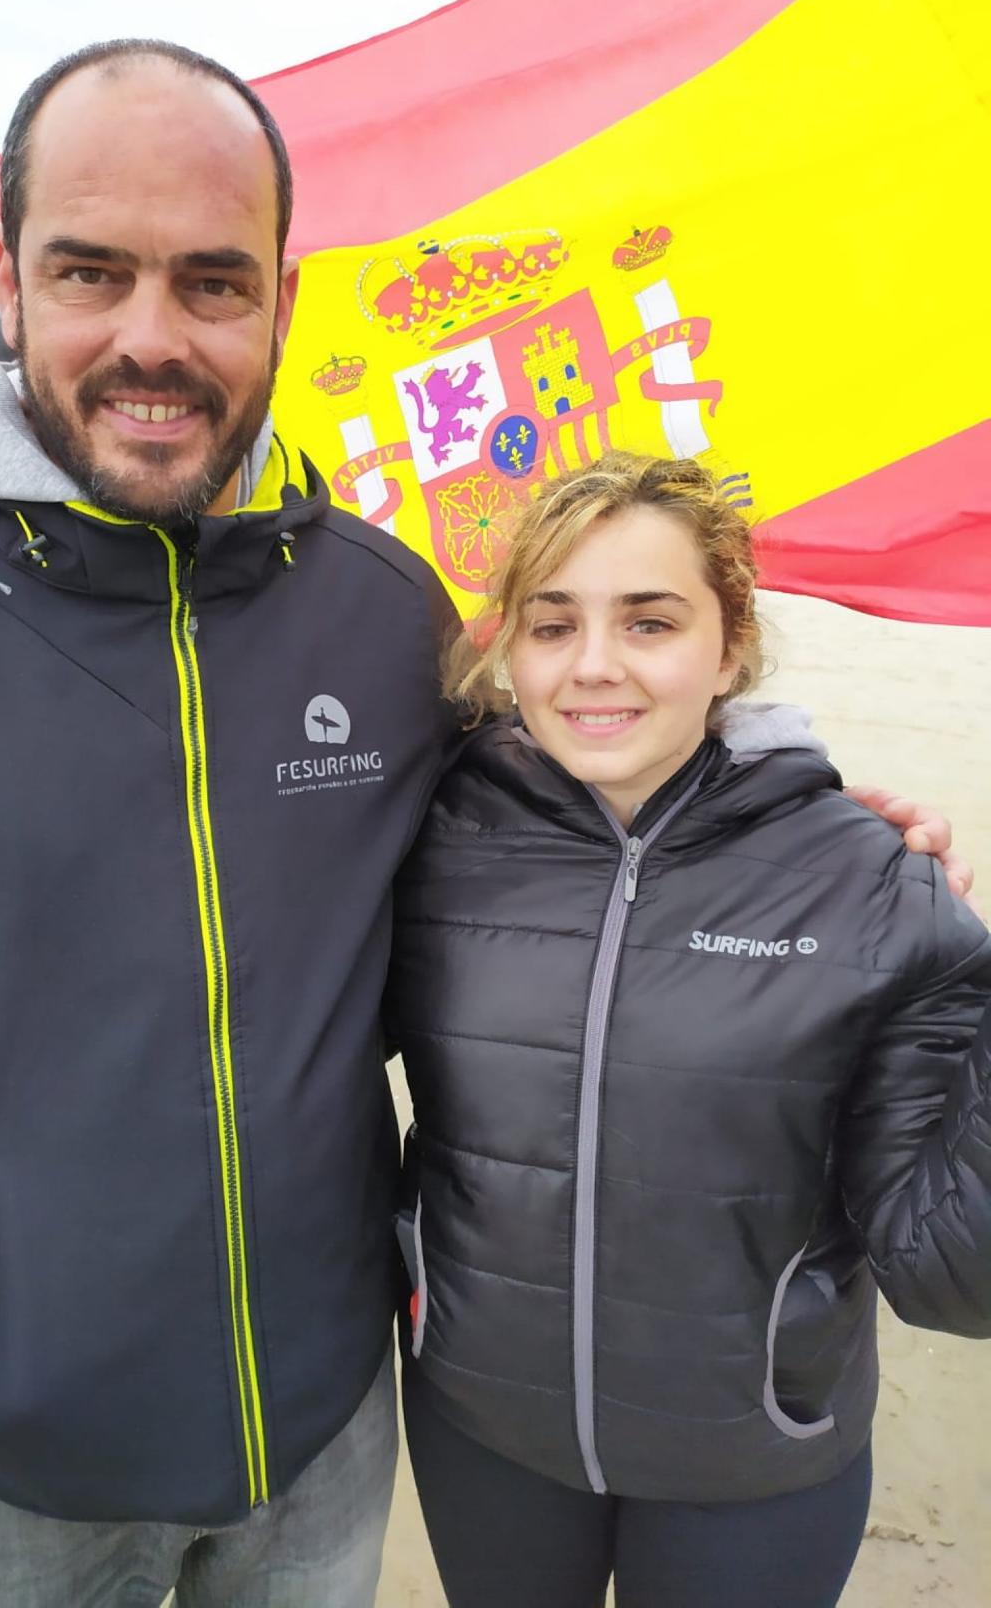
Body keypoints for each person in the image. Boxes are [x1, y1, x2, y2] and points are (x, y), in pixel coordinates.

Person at [0, 41, 971, 1607]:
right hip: (16, 1457)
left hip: (331, 1430)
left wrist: (796, 833)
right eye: (90, 270)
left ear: (282, 300)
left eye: (212, 281)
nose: (151, 336)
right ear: (5, 280)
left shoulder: (384, 610)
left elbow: (558, 824)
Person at [388, 451, 991, 1608]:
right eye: (552, 623)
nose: (593, 664)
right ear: (510, 648)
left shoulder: (868, 886)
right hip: (483, 1431)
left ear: (730, 646)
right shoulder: (431, 835)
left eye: (650, 621)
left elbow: (955, 1278)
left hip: (755, 1462)